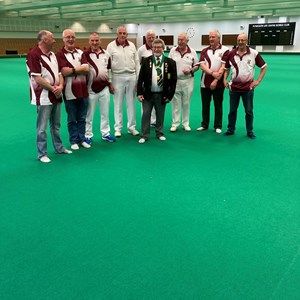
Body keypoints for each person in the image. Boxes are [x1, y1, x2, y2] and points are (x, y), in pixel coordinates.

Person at [26, 30, 72, 163]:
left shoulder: (53, 55)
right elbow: (37, 78)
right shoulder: (33, 55)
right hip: (44, 96)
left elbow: (59, 74)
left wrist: (61, 86)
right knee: (42, 127)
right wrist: (53, 89)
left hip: (56, 94)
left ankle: (59, 147)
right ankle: (42, 154)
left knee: (56, 125)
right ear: (44, 40)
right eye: (52, 38)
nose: (55, 40)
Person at [223, 33, 267, 139]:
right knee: (232, 111)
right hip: (233, 88)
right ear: (237, 41)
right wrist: (224, 79)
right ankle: (230, 129)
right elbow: (226, 68)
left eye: (243, 40)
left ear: (246, 41)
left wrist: (258, 81)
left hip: (248, 89)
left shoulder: (253, 53)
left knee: (248, 111)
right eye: (239, 40)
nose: (240, 42)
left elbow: (264, 67)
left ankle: (249, 131)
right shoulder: (231, 53)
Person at [56, 29, 91, 150]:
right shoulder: (59, 54)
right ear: (63, 39)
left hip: (83, 91)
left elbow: (87, 69)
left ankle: (82, 139)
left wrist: (73, 70)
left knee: (82, 117)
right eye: (68, 37)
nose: (70, 39)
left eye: (72, 37)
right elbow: (63, 72)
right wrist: (79, 68)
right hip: (69, 92)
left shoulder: (80, 52)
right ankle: (73, 140)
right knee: (72, 119)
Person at [137, 38, 177, 143]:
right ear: (152, 48)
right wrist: (139, 93)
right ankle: (144, 135)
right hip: (147, 94)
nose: (157, 49)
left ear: (163, 48)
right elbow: (140, 78)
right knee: (145, 114)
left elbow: (173, 81)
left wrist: (169, 95)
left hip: (162, 94)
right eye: (155, 47)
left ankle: (159, 133)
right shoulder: (146, 61)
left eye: (159, 47)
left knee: (160, 114)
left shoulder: (171, 62)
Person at [106, 26, 140, 138]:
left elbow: (136, 62)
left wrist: (138, 79)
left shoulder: (132, 45)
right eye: (120, 33)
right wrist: (110, 81)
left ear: (127, 35)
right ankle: (118, 128)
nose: (122, 35)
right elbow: (108, 66)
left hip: (131, 76)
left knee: (131, 104)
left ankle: (132, 127)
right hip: (117, 77)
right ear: (117, 34)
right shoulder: (110, 46)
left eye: (124, 33)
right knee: (118, 104)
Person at [83, 32, 116, 145]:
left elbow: (109, 70)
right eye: (92, 40)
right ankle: (87, 135)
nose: (94, 42)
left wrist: (110, 83)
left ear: (100, 41)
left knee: (105, 113)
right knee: (89, 114)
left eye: (96, 40)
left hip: (104, 88)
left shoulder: (106, 54)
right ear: (89, 41)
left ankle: (105, 134)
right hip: (90, 89)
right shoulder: (85, 54)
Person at [197, 30, 229, 134]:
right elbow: (202, 65)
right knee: (205, 105)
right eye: (210, 37)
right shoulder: (204, 50)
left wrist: (215, 80)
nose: (211, 39)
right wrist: (212, 73)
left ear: (218, 38)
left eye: (213, 37)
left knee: (218, 104)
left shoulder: (225, 50)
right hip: (204, 83)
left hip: (218, 84)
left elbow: (224, 67)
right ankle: (204, 124)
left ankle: (218, 125)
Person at [169, 32, 199, 132]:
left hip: (188, 81)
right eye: (178, 40)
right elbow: (168, 64)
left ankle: (185, 123)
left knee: (186, 103)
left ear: (187, 41)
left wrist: (190, 70)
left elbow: (197, 66)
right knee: (175, 103)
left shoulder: (193, 52)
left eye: (182, 40)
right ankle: (175, 124)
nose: (180, 42)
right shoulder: (173, 51)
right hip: (175, 81)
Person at [137, 29, 157, 127]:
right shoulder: (141, 50)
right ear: (146, 38)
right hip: (145, 80)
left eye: (153, 37)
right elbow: (137, 64)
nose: (151, 39)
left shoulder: (158, 48)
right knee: (145, 100)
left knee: (156, 99)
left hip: (157, 79)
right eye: (149, 37)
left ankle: (153, 121)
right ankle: (145, 120)